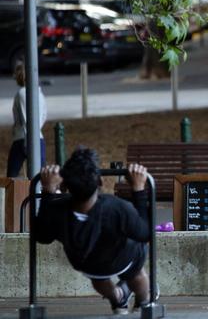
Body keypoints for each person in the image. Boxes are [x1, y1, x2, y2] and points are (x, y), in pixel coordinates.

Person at [34, 148, 152, 314]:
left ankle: (118, 297)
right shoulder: (117, 208)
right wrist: (138, 190)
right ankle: (143, 302)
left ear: (65, 184)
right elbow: (145, 233)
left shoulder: (56, 210)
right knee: (136, 264)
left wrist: (48, 192)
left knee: (99, 276)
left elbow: (42, 236)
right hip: (123, 260)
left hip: (87, 265)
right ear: (100, 182)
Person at [6, 65, 47, 177]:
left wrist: (27, 142)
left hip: (23, 138)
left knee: (11, 177)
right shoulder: (40, 94)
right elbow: (43, 116)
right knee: (40, 178)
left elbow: (26, 119)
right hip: (38, 138)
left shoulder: (22, 93)